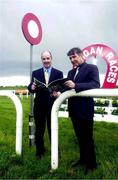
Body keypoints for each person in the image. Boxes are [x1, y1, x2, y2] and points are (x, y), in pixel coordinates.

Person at [64, 47, 100, 171]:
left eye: (74, 57)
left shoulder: (92, 68)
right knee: (79, 137)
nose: (72, 60)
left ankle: (92, 165)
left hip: (85, 110)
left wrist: (76, 85)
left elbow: (95, 84)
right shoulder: (70, 73)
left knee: (88, 138)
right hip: (73, 110)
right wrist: (58, 93)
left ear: (81, 55)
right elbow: (68, 89)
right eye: (70, 58)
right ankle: (82, 160)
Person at [28, 51, 63, 158]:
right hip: (39, 106)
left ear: (51, 59)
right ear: (41, 60)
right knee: (39, 130)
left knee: (52, 129)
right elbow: (30, 86)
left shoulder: (58, 73)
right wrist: (32, 88)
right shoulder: (35, 73)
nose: (46, 61)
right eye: (44, 59)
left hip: (53, 105)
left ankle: (55, 152)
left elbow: (61, 87)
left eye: (48, 58)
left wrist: (59, 93)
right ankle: (40, 152)